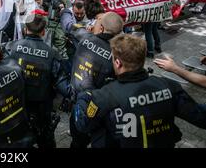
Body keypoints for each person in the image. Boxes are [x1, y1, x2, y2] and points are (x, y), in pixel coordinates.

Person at [73, 34, 206, 148]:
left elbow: (83, 125)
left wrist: (83, 98)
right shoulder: (169, 86)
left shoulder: (103, 96)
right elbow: (200, 118)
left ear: (118, 63)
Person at [5, 11, 63, 148]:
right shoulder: (52, 54)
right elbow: (60, 82)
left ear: (25, 29)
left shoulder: (10, 47)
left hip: (16, 106)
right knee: (46, 141)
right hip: (42, 108)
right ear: (44, 32)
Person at [69, 12, 124, 148]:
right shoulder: (118, 55)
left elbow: (72, 28)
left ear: (101, 28)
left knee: (77, 141)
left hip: (77, 100)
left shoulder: (84, 38)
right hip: (98, 107)